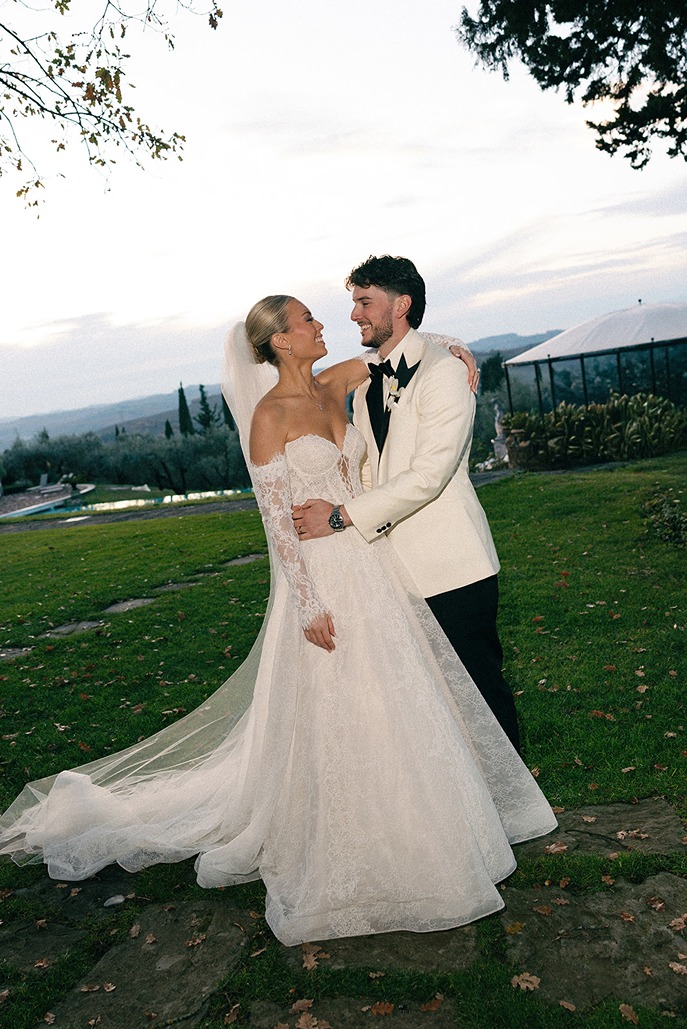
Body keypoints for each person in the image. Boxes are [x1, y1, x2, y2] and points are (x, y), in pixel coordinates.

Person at [0, 295, 556, 947]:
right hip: (324, 578)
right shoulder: (269, 417)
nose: (321, 325)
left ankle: (424, 823)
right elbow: (275, 523)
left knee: (400, 701)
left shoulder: (336, 381)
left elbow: (400, 350)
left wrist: (453, 345)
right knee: (345, 713)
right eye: (307, 321)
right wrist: (308, 602)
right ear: (282, 342)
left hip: (374, 568)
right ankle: (357, 847)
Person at [293, 256, 521, 752]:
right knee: (434, 701)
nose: (354, 314)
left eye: (364, 302)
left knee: (480, 691)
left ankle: (515, 808)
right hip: (394, 568)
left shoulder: (444, 376)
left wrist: (340, 517)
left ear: (401, 306)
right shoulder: (366, 382)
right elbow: (375, 468)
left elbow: (428, 477)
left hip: (452, 565)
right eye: (354, 302)